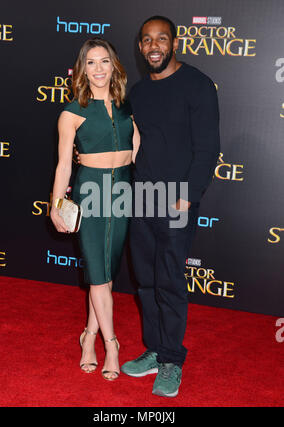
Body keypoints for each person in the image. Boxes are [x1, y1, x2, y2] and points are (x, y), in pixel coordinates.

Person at [121, 16, 220, 397]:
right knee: (146, 280)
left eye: (161, 38)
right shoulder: (140, 92)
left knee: (170, 280)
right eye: (147, 40)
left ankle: (172, 360)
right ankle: (154, 349)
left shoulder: (197, 85)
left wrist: (188, 196)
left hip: (177, 197)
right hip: (143, 196)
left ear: (174, 43)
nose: (154, 46)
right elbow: (136, 143)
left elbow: (208, 148)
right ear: (141, 47)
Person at [50, 38, 140, 381]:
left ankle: (87, 337)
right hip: (91, 190)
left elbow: (137, 149)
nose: (99, 69)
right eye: (91, 62)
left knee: (105, 272)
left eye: (105, 61)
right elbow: (62, 166)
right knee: (100, 276)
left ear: (114, 66)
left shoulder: (126, 106)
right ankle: (111, 344)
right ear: (82, 69)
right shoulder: (71, 113)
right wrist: (57, 205)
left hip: (123, 191)